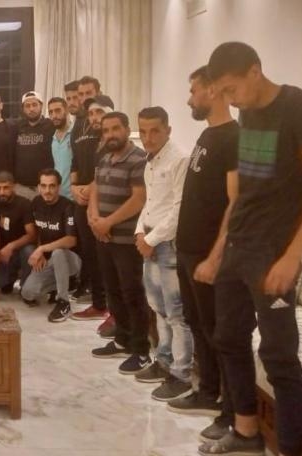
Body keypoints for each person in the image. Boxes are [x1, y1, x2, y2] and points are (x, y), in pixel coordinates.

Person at [200, 42, 302, 456]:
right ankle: (246, 433)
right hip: (239, 245)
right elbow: (245, 191)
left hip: (274, 251)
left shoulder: (295, 108)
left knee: (278, 355)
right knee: (228, 337)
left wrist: (293, 257)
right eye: (222, 92)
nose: (228, 100)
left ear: (255, 71)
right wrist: (218, 252)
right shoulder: (248, 111)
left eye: (231, 89)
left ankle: (291, 446)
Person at [168, 65, 239, 443]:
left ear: (213, 90)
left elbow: (234, 203)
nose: (189, 99)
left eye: (194, 91)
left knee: (217, 331)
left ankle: (232, 411)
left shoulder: (232, 137)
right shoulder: (208, 134)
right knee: (197, 323)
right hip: (188, 249)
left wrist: (214, 256)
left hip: (208, 255)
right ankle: (208, 390)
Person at [132, 107, 193, 402]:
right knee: (157, 307)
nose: (148, 137)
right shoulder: (150, 161)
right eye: (143, 131)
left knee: (176, 312)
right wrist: (140, 232)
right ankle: (164, 360)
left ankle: (181, 375)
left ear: (168, 130)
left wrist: (152, 238)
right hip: (150, 241)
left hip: (168, 245)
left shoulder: (179, 159)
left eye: (155, 130)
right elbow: (151, 203)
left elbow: (180, 209)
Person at [88, 112, 151, 376]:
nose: (110, 134)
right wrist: (94, 218)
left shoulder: (139, 159)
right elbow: (95, 188)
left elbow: (139, 199)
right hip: (104, 238)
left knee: (132, 294)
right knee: (113, 291)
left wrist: (107, 222)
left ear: (127, 129)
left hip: (126, 240)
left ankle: (141, 350)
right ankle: (123, 339)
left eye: (115, 128)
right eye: (106, 130)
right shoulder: (104, 158)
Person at [69, 93, 111, 328]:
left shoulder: (112, 141)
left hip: (103, 207)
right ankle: (99, 304)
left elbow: (104, 173)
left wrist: (88, 189)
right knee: (91, 257)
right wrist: (75, 188)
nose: (94, 117)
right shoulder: (83, 136)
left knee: (105, 259)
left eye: (99, 112)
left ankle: (109, 308)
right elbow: (75, 162)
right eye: (91, 113)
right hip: (82, 202)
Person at [20, 169, 80, 323]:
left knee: (58, 252)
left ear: (58, 187)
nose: (47, 190)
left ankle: (64, 302)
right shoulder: (36, 203)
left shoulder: (68, 206)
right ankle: (63, 285)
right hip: (50, 261)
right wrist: (40, 250)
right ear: (38, 187)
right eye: (44, 186)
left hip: (71, 260)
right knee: (27, 293)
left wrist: (41, 249)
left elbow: (71, 240)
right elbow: (38, 232)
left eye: (52, 186)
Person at [0, 172, 35, 294]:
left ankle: (25, 286)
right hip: (0, 251)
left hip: (19, 250)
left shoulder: (24, 204)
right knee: (0, 285)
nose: (2, 192)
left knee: (29, 250)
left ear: (13, 187)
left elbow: (32, 235)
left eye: (6, 188)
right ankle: (8, 280)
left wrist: (11, 246)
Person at [13, 91, 55, 200]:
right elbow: (0, 123)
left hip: (45, 187)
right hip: (21, 187)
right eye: (27, 106)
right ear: (23, 109)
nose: (31, 109)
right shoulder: (17, 126)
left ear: (41, 105)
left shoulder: (51, 125)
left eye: (34, 105)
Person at [48, 97, 73, 199]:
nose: (54, 116)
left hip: (75, 196)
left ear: (66, 110)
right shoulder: (52, 137)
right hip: (58, 196)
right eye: (51, 112)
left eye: (58, 111)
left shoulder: (76, 133)